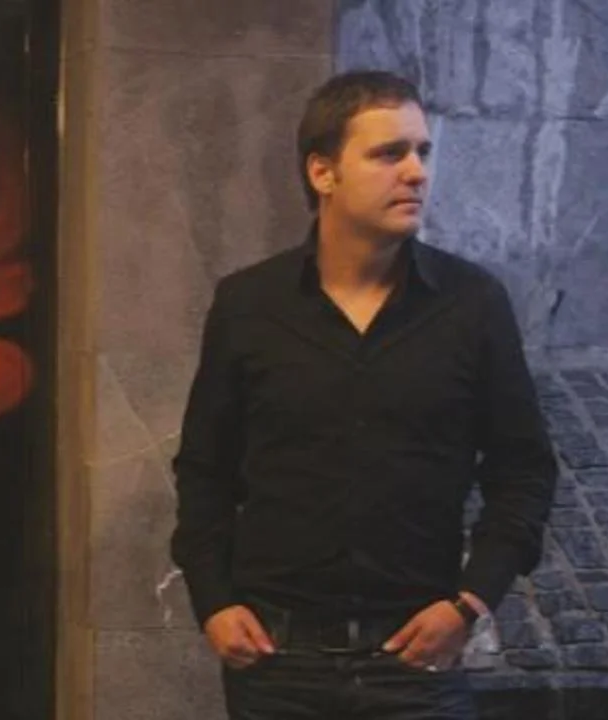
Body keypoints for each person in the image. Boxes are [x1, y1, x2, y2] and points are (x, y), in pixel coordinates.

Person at [169, 69, 557, 719]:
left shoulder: (471, 304)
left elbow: (524, 470)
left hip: (416, 662)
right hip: (277, 662)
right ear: (323, 172)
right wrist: (213, 600)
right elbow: (205, 468)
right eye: (388, 153)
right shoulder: (248, 305)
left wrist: (471, 601)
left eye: (422, 151)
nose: (416, 172)